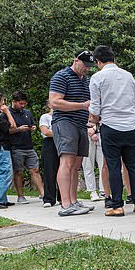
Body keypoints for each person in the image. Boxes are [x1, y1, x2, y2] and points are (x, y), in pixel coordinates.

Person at [88, 45, 135, 217]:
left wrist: (94, 120)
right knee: (133, 165)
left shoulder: (97, 77)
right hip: (130, 126)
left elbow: (95, 108)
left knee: (113, 166)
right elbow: (134, 102)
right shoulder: (128, 76)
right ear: (114, 58)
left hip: (111, 126)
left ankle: (117, 206)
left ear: (98, 61)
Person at [49, 50, 96, 216]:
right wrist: (82, 105)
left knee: (76, 166)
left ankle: (74, 202)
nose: (87, 69)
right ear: (76, 60)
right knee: (67, 162)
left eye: (90, 66)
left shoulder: (87, 80)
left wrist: (91, 122)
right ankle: (65, 204)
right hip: (64, 122)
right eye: (85, 65)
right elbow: (54, 102)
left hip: (81, 124)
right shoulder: (61, 76)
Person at [8, 91, 44, 204]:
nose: (22, 106)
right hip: (15, 147)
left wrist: (33, 128)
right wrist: (18, 129)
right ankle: (20, 196)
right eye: (20, 103)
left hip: (29, 146)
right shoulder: (7, 113)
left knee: (35, 169)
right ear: (14, 102)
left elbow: (32, 124)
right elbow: (5, 131)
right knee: (18, 171)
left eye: (24, 104)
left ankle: (43, 194)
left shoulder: (27, 113)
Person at [39, 100, 60, 208]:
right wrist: (60, 134)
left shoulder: (62, 117)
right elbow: (45, 131)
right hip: (50, 144)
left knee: (63, 170)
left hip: (61, 143)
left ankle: (63, 197)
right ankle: (49, 198)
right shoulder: (45, 117)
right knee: (49, 171)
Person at [82, 122, 105, 202]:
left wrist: (95, 128)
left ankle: (103, 190)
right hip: (85, 134)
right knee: (88, 164)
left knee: (103, 165)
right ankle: (92, 191)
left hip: (101, 133)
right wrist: (89, 131)